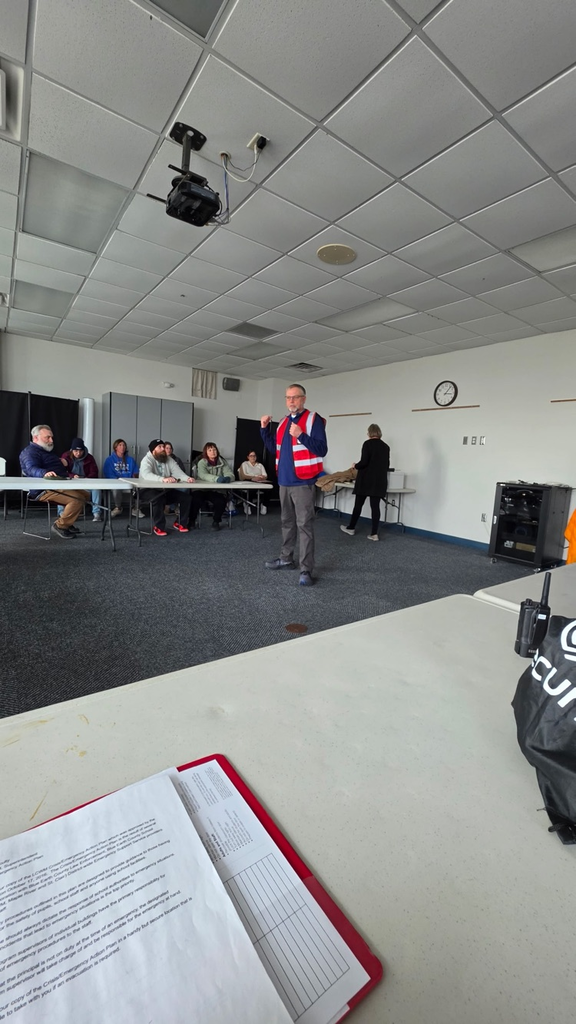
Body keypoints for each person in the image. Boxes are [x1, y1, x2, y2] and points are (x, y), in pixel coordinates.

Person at [260, 383, 327, 586]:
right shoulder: (282, 422)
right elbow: (274, 448)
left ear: (303, 399)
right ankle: (286, 558)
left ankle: (306, 569)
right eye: (288, 397)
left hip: (303, 482)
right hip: (284, 481)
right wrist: (264, 430)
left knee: (304, 525)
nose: (291, 401)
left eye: (295, 397)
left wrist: (301, 435)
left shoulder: (313, 419)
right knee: (286, 523)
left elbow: (322, 449)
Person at [19, 424, 88, 540]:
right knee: (77, 499)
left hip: (57, 484)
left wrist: (65, 463)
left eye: (51, 437)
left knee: (86, 495)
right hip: (43, 489)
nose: (51, 440)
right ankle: (60, 525)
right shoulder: (29, 452)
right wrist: (44, 473)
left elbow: (56, 466)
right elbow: (31, 469)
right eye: (47, 437)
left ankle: (67, 522)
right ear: (35, 438)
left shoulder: (46, 451)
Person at [340, 424, 390, 542]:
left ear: (369, 433)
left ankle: (351, 528)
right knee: (375, 507)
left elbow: (364, 462)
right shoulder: (386, 447)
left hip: (366, 480)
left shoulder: (367, 444)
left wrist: (355, 465)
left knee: (358, 505)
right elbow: (387, 465)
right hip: (379, 481)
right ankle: (374, 534)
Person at [138, 439, 195, 537]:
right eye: (160, 447)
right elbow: (146, 474)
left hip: (163, 489)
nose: (163, 449)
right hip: (146, 489)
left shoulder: (168, 459)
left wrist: (187, 478)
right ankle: (159, 527)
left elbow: (178, 472)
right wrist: (163, 479)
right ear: (153, 450)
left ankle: (180, 522)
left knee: (186, 498)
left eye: (163, 446)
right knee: (158, 498)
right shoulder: (146, 460)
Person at [190, 443, 235, 531]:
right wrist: (217, 479)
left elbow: (230, 473)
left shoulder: (222, 462)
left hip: (216, 490)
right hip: (201, 489)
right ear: (206, 452)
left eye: (214, 449)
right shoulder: (202, 462)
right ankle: (191, 521)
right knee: (195, 500)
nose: (213, 452)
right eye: (210, 450)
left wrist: (228, 478)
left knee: (221, 501)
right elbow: (203, 475)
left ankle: (216, 521)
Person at [60, 438, 101, 521]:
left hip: (86, 483)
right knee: (60, 489)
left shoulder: (89, 458)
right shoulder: (66, 457)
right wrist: (72, 476)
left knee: (96, 489)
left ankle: (96, 513)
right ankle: (62, 513)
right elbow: (61, 472)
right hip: (70, 483)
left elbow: (94, 472)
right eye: (76, 451)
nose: (78, 453)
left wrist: (86, 478)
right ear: (72, 450)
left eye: (80, 451)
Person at [102, 439, 139, 518]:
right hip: (116, 482)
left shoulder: (130, 460)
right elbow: (108, 473)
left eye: (124, 445)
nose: (122, 447)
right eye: (120, 445)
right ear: (116, 448)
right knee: (116, 488)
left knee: (139, 488)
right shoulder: (110, 460)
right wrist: (118, 480)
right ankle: (118, 507)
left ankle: (136, 508)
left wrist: (133, 479)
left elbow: (135, 472)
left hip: (129, 481)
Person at [238, 450, 268, 515]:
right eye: (251, 456)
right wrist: (253, 477)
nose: (253, 457)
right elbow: (244, 475)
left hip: (259, 481)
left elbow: (265, 475)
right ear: (248, 457)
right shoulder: (244, 464)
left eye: (254, 456)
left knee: (269, 488)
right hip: (248, 481)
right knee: (252, 489)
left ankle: (264, 505)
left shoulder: (260, 465)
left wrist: (260, 478)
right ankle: (247, 505)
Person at [163, 442, 186, 515]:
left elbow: (182, 472)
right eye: (167, 448)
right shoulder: (160, 459)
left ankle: (175, 507)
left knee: (184, 489)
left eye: (170, 448)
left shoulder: (177, 460)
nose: (169, 450)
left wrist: (175, 479)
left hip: (176, 481)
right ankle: (169, 506)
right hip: (164, 482)